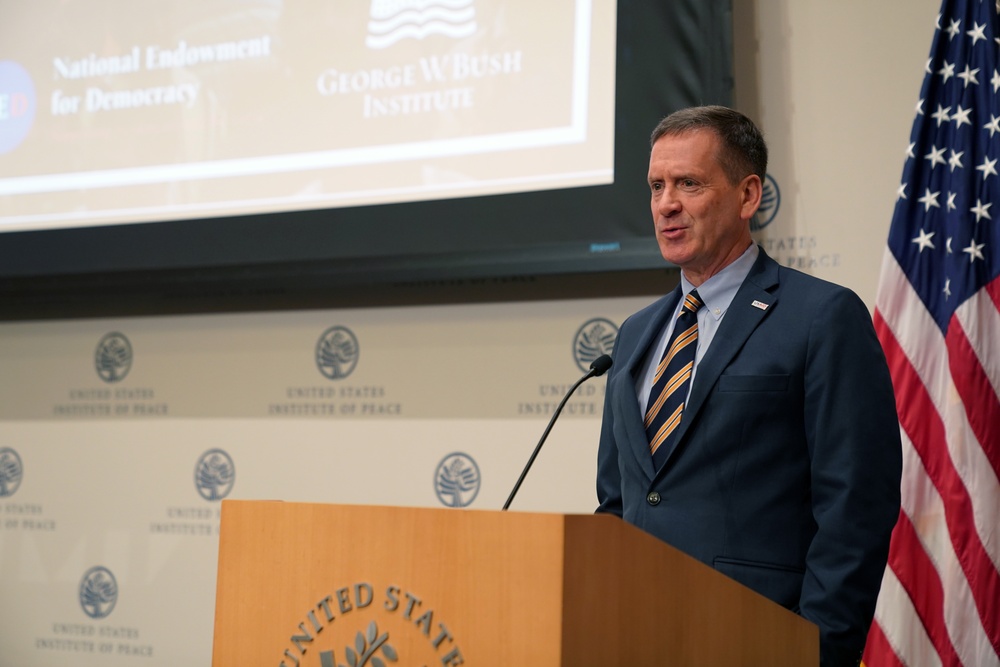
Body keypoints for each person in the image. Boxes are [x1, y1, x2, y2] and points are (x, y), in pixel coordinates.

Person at [596, 105, 902, 667]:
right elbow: (618, 503)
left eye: (689, 183)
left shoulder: (821, 316)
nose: (666, 203)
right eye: (657, 186)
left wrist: (818, 650)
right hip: (637, 636)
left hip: (759, 639)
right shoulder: (637, 333)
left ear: (747, 195)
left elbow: (857, 505)